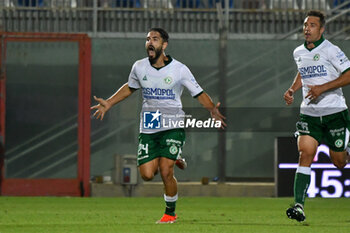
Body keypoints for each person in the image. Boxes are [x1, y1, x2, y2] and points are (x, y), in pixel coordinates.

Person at [91, 28, 226, 224]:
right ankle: (173, 155)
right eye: (147, 39)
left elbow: (199, 93)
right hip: (149, 123)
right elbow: (130, 87)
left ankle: (170, 213)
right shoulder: (139, 67)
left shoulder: (179, 69)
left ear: (164, 45)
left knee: (165, 170)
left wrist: (212, 109)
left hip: (172, 122)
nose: (149, 42)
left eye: (154, 39)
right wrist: (110, 102)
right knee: (146, 175)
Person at [283, 10, 350, 222]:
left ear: (321, 29)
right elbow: (303, 72)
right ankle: (299, 206)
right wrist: (292, 90)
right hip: (309, 114)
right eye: (305, 25)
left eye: (312, 25)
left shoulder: (331, 50)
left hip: (334, 113)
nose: (307, 28)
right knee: (305, 154)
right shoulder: (298, 52)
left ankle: (346, 147)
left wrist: (323, 88)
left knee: (339, 162)